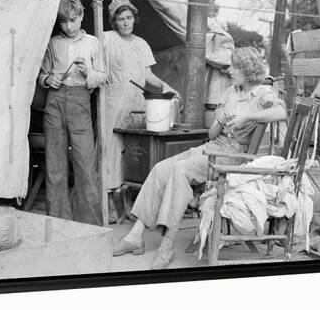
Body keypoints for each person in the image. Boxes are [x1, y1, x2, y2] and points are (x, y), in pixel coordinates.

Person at [112, 47, 287, 269]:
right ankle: (135, 237)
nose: (230, 71)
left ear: (247, 69)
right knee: (160, 168)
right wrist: (220, 122)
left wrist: (247, 116)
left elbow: (283, 112)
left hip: (232, 156)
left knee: (180, 170)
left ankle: (168, 243)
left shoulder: (263, 93)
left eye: (234, 67)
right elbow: (212, 134)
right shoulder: (231, 92)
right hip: (213, 146)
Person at [103, 0, 180, 223]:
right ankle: (108, 203)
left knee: (135, 154)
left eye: (128, 18)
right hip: (113, 103)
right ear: (114, 21)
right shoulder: (106, 39)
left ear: (134, 19)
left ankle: (130, 203)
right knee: (111, 150)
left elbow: (148, 76)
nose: (125, 23)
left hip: (136, 104)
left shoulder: (141, 44)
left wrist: (169, 88)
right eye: (120, 19)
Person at [38, 0, 107, 226]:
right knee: (54, 165)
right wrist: (49, 81)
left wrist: (88, 72)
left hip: (80, 100)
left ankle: (89, 225)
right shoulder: (53, 43)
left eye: (73, 20)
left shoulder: (93, 43)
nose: (68, 26)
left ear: (81, 16)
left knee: (85, 164)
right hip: (54, 101)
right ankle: (57, 224)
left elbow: (103, 76)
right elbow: (42, 75)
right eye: (63, 21)